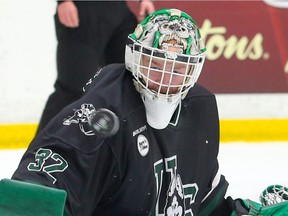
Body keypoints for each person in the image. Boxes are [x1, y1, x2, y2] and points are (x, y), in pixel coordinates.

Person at [1, 8, 288, 216]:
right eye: (156, 63)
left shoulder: (200, 106)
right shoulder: (104, 112)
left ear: (194, 69)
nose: (166, 78)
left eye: (178, 68)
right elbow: (44, 182)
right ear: (133, 58)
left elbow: (203, 203)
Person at [36, 0, 155, 133]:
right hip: (82, 11)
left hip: (119, 11)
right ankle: (39, 149)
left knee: (129, 83)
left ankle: (128, 147)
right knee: (72, 89)